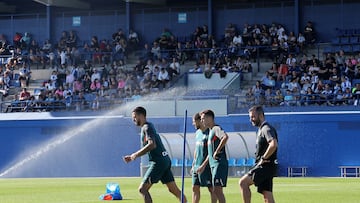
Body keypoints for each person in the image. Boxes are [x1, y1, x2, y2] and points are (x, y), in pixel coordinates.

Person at [123, 106, 188, 203]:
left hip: (158, 162)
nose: (133, 119)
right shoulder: (148, 126)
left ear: (141, 115)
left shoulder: (147, 127)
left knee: (143, 189)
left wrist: (135, 155)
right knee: (174, 190)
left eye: (135, 117)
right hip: (164, 160)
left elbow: (152, 144)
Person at [239, 105, 278, 203]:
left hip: (265, 166)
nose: (251, 120)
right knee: (267, 194)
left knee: (243, 183)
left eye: (253, 117)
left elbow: (273, 144)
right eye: (250, 117)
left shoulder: (266, 128)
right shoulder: (261, 129)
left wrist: (264, 158)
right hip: (268, 166)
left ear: (260, 116)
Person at [200, 109, 229, 203]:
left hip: (219, 163)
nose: (202, 121)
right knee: (215, 190)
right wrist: (203, 165)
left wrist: (217, 151)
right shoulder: (210, 131)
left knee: (217, 190)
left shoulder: (216, 128)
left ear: (210, 118)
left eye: (203, 118)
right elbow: (210, 153)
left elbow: (225, 137)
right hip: (213, 165)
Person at [191, 113, 217, 203]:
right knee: (194, 188)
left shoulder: (210, 133)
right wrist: (193, 163)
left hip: (206, 166)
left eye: (194, 122)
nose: (193, 124)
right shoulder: (197, 133)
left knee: (211, 189)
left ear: (199, 121)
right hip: (197, 165)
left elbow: (211, 152)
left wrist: (203, 165)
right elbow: (196, 149)